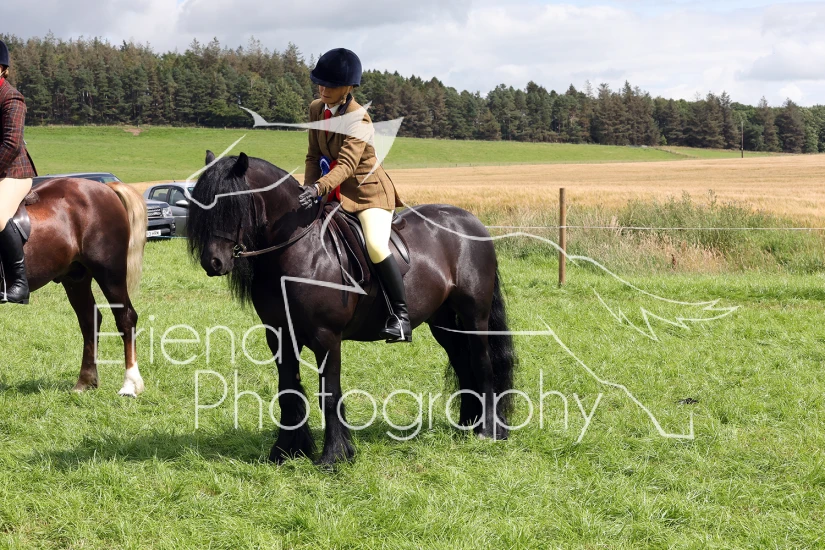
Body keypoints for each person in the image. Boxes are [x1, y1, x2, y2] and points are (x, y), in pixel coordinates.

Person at [299, 48, 411, 343]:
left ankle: (401, 317)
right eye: (320, 84)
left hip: (367, 192)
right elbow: (313, 156)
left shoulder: (358, 119)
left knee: (375, 245)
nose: (322, 90)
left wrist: (318, 188)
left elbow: (347, 165)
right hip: (331, 189)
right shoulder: (316, 109)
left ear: (348, 87)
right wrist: (308, 188)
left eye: (330, 85)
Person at [0, 39, 37, 304]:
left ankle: (19, 283)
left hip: (14, 172)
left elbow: (11, 144)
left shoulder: (11, 98)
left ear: (2, 68)